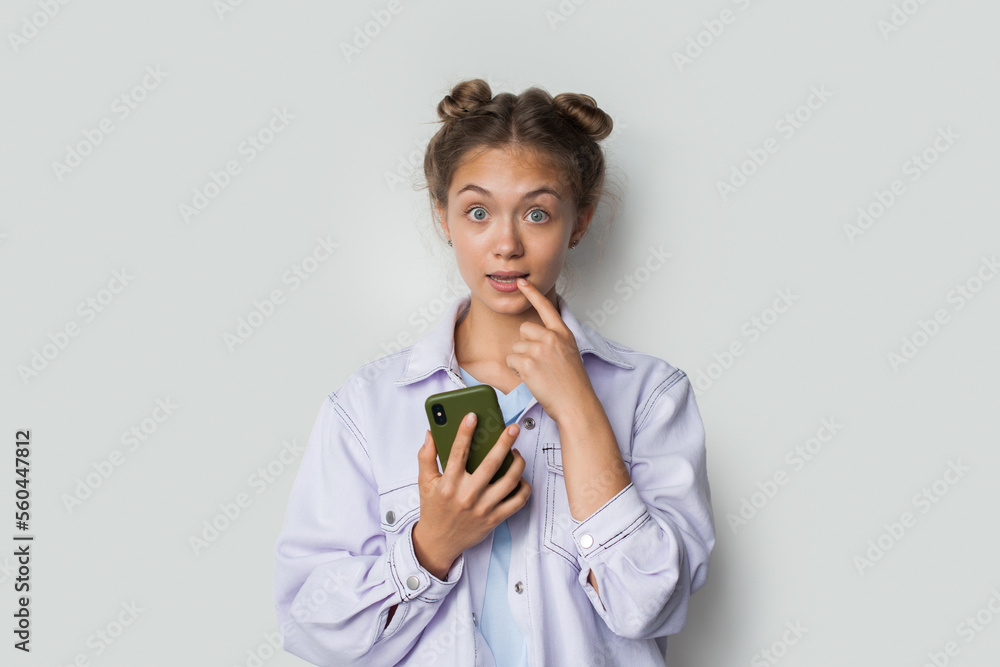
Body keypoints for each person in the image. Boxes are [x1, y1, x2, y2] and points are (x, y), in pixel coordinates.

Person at [273, 78, 715, 666]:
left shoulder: (652, 397)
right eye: (477, 212)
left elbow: (649, 607)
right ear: (443, 218)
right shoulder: (366, 407)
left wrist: (581, 410)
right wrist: (431, 546)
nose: (505, 244)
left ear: (578, 222)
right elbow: (311, 629)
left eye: (537, 213)